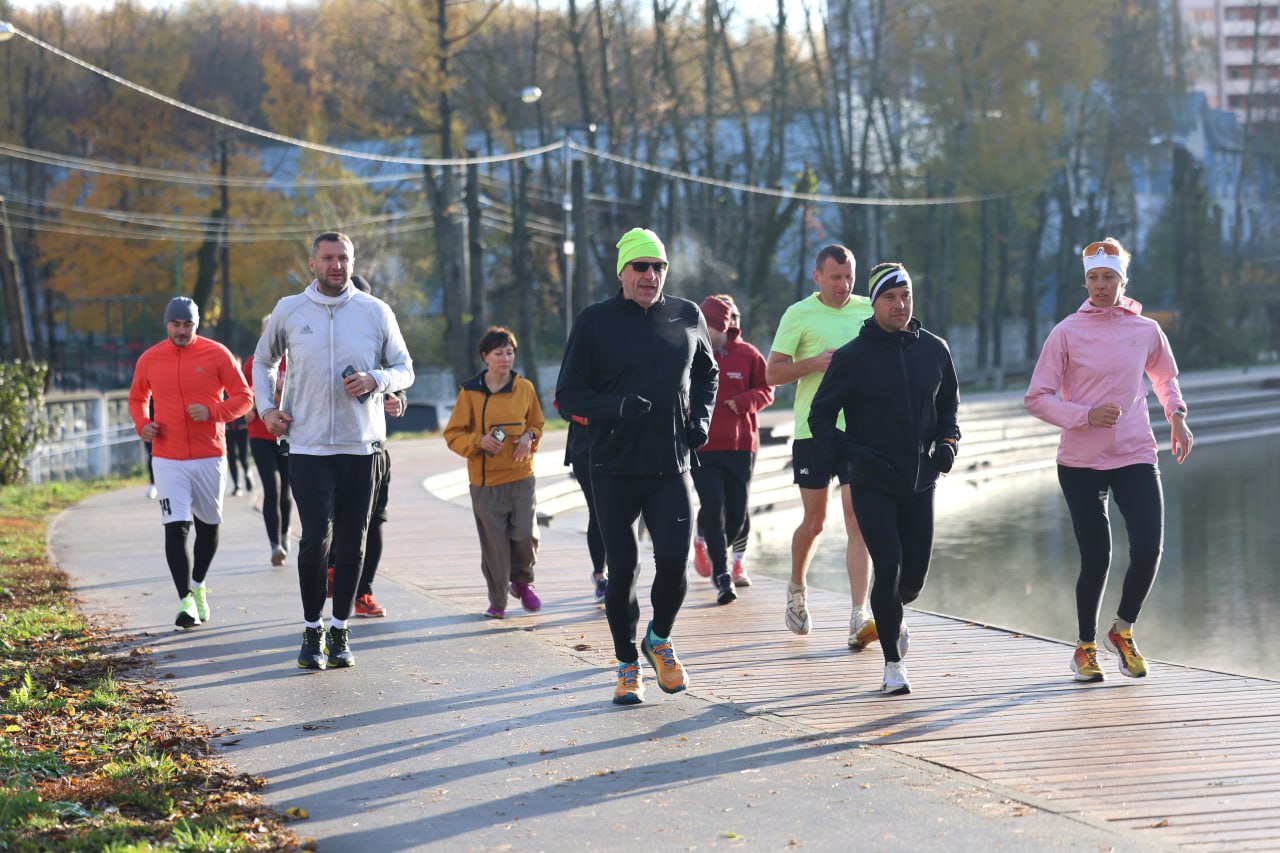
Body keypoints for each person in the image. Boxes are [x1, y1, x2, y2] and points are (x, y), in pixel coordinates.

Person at [556, 227, 718, 706]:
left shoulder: (687, 315)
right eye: (641, 267)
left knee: (674, 561)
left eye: (659, 267)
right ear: (622, 272)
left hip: (671, 464)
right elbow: (568, 395)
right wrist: (617, 406)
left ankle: (659, 639)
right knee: (622, 568)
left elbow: (707, 372)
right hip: (612, 465)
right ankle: (627, 665)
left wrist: (701, 419)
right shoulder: (595, 321)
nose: (651, 276)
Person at [1025, 237, 1193, 683]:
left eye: (1109, 278)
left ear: (1123, 281)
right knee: (1097, 556)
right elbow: (1037, 397)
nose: (1101, 286)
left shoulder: (1146, 330)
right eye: (1094, 278)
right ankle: (1084, 648)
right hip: (1080, 460)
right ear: (1085, 282)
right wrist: (1083, 415)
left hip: (1136, 452)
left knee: (1149, 547)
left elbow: (1165, 379)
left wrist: (1176, 416)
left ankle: (1122, 630)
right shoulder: (1065, 332)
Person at [253, 231, 414, 671]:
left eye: (343, 258)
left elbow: (405, 368)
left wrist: (376, 380)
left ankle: (341, 629)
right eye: (328, 258)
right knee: (313, 542)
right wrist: (266, 408)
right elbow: (261, 361)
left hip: (360, 446)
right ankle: (312, 630)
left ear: (352, 261)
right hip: (305, 445)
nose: (336, 265)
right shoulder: (290, 310)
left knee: (352, 542)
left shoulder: (375, 311)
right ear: (312, 263)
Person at [810, 262, 959, 695]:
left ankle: (889, 610)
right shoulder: (854, 357)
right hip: (872, 482)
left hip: (921, 483)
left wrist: (948, 443)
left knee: (911, 579)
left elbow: (949, 406)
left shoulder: (934, 349)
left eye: (906, 296)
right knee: (888, 565)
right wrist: (852, 454)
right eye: (891, 298)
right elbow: (820, 418)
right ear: (874, 303)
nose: (900, 304)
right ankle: (893, 665)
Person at [766, 244, 876, 648]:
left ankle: (857, 615)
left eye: (849, 277)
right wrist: (813, 362)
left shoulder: (869, 309)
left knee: (858, 523)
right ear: (817, 277)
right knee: (815, 523)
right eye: (835, 277)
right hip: (812, 432)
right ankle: (796, 587)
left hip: (859, 432)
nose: (843, 285)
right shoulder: (798, 315)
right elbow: (772, 373)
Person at [128, 297, 253, 629]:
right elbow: (138, 397)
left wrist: (214, 413)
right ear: (166, 324)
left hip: (210, 454)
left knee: (209, 527)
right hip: (167, 457)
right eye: (176, 324)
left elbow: (244, 397)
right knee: (176, 527)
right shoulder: (151, 358)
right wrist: (143, 425)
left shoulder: (217, 353)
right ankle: (185, 601)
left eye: (188, 325)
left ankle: (198, 585)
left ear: (196, 325)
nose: (181, 330)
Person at [444, 326, 545, 618]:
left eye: (510, 352)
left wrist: (529, 438)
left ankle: (522, 582)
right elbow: (453, 434)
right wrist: (479, 440)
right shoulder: (470, 392)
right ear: (485, 357)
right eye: (498, 353)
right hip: (486, 483)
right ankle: (498, 601)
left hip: (521, 477)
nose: (505, 358)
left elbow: (537, 424)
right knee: (495, 546)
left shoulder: (524, 388)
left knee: (526, 534)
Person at [691, 294, 774, 604]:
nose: (700, 332)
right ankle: (723, 575)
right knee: (713, 506)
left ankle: (712, 547)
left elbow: (768, 389)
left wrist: (742, 403)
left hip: (741, 446)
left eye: (705, 327)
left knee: (737, 514)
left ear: (720, 326)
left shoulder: (748, 355)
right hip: (704, 447)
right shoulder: (693, 354)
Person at [242, 316, 292, 567]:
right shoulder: (253, 363)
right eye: (268, 332)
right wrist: (247, 409)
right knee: (272, 488)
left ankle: (285, 533)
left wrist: (283, 388)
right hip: (260, 435)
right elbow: (243, 394)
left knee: (287, 491)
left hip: (289, 434)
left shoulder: (294, 360)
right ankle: (275, 545)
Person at [558, 409, 608, 605]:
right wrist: (583, 416)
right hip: (585, 451)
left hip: (618, 448)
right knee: (597, 511)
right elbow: (562, 404)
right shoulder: (575, 376)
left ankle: (621, 574)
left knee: (616, 513)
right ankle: (600, 576)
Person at [225, 397, 252, 496]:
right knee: (231, 457)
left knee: (243, 457)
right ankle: (237, 485)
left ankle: (247, 473)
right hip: (227, 428)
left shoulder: (240, 383)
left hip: (242, 426)